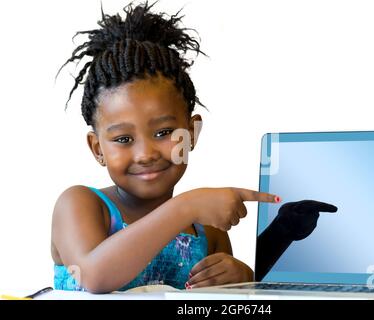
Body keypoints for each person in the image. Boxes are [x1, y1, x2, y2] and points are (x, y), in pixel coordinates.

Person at [51, 1, 280, 293]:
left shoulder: (207, 233)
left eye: (164, 132)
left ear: (193, 132)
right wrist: (186, 206)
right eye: (123, 139)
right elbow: (93, 276)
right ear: (97, 148)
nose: (146, 154)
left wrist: (243, 279)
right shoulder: (81, 206)